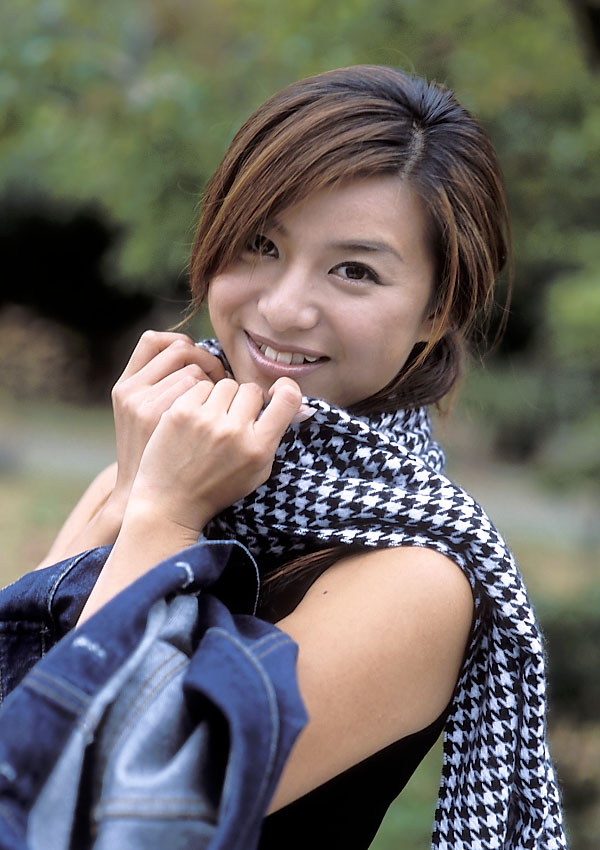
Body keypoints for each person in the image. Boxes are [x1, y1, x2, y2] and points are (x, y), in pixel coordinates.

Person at [22, 66, 566, 847]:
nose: (282, 308)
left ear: (437, 310)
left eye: (355, 270)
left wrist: (164, 516)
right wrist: (133, 496)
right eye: (261, 243)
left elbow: (96, 806)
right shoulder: (158, 469)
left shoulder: (418, 580)